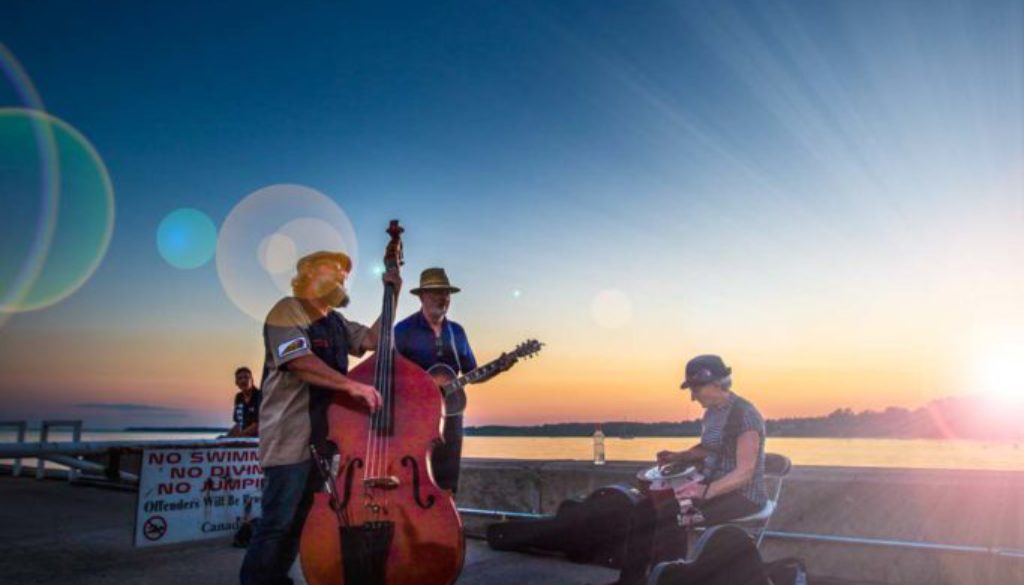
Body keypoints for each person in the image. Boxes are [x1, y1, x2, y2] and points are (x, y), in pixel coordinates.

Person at [239, 250, 400, 585]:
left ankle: (276, 579)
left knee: (301, 522)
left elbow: (372, 339)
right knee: (276, 523)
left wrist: (392, 295)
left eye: (344, 273)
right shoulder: (288, 310)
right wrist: (351, 386)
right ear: (308, 273)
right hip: (289, 439)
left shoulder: (337, 323)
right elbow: (297, 360)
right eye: (333, 269)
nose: (342, 275)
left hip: (325, 441)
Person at [613, 354, 767, 585]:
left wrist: (705, 491)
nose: (693, 397)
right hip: (710, 488)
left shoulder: (746, 414)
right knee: (644, 508)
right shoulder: (713, 412)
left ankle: (667, 580)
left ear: (716, 383)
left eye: (696, 389)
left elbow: (744, 473)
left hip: (742, 496)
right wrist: (680, 455)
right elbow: (710, 447)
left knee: (672, 514)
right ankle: (631, 581)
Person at [394, 267, 498, 494]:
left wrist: (499, 368)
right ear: (421, 296)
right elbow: (390, 375)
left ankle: (447, 523)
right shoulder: (402, 330)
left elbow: (473, 373)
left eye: (445, 293)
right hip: (415, 417)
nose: (442, 298)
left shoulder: (457, 332)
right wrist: (421, 392)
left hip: (451, 416)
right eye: (434, 293)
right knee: (416, 477)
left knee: (449, 478)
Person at [227, 366, 261, 437]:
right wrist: (227, 437)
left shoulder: (259, 396)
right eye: (240, 378)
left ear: (252, 380)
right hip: (244, 438)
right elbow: (239, 423)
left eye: (246, 377)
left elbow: (258, 425)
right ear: (236, 382)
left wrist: (238, 437)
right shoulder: (239, 397)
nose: (243, 381)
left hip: (259, 439)